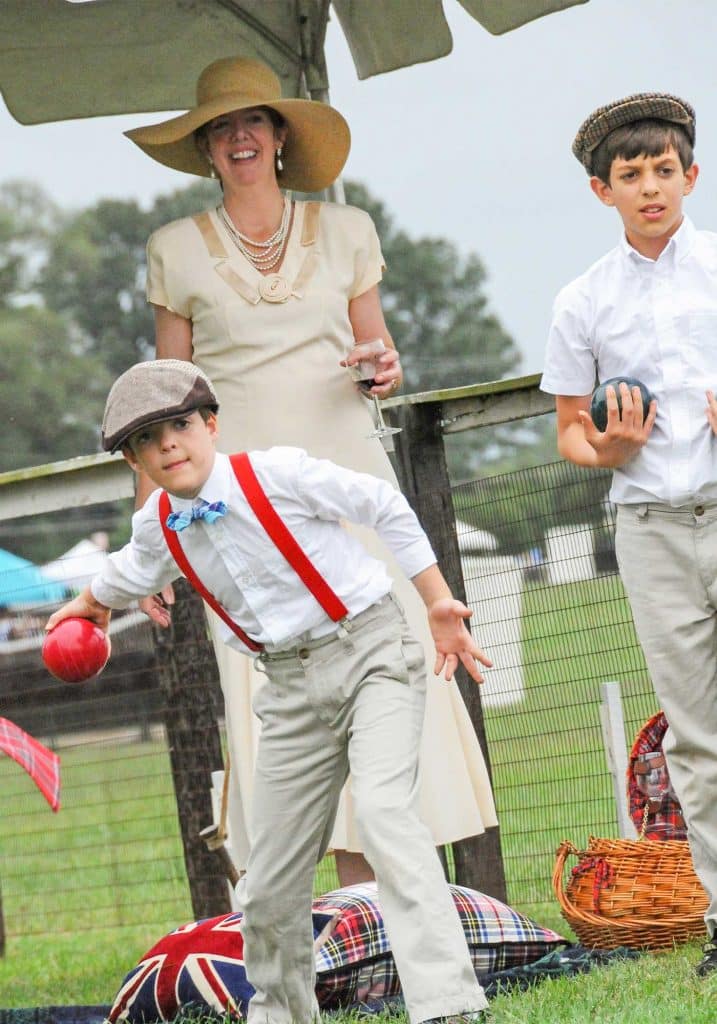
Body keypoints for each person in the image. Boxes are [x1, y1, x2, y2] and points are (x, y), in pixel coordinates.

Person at [124, 55, 497, 884]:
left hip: (347, 478)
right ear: (207, 151)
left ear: (281, 134)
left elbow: (379, 352)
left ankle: (411, 901)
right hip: (236, 498)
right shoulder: (174, 249)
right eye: (220, 128)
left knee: (390, 662)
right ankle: (351, 914)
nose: (238, 137)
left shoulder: (349, 230)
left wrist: (382, 368)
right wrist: (148, 530)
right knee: (278, 685)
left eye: (252, 120)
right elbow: (161, 400)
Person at [46, 360, 491, 1024]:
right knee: (269, 874)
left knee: (383, 817)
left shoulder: (277, 473)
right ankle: (281, 1012)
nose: (169, 444)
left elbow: (382, 503)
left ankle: (448, 1005)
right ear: (136, 461)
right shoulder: (161, 524)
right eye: (148, 439)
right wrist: (88, 606)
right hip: (286, 688)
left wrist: (436, 603)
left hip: (370, 650)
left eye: (179, 425)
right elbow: (129, 569)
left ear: (210, 425)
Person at [541, 92, 717, 977]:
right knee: (694, 735)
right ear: (599, 191)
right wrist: (608, 445)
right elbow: (571, 432)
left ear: (690, 176)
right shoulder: (583, 301)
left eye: (662, 171)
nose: (648, 188)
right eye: (628, 175)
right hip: (649, 525)